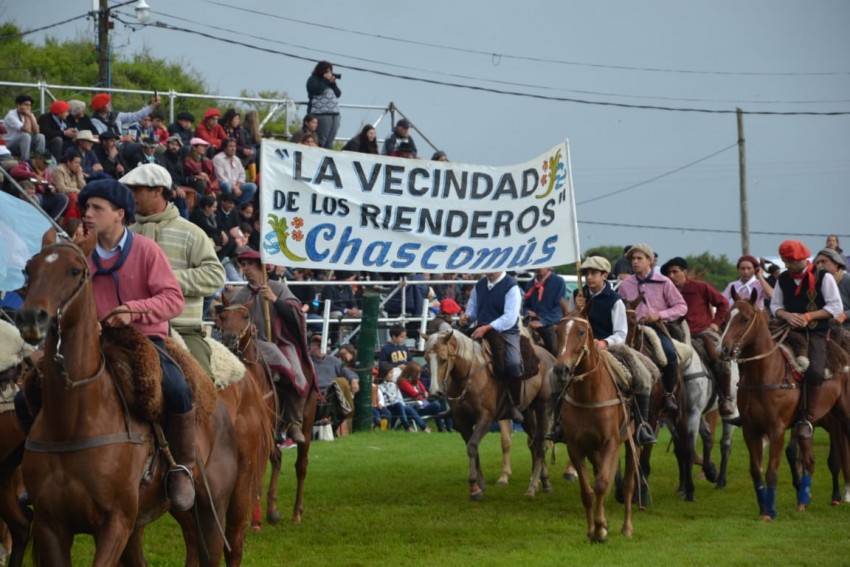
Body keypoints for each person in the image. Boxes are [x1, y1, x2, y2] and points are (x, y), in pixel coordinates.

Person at [78, 178, 196, 511]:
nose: (87, 214)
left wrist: (134, 310)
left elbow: (173, 299)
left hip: (145, 338)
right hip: (92, 342)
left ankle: (182, 467)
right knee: (40, 384)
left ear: (119, 214)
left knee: (177, 388)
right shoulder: (80, 252)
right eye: (86, 207)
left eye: (96, 208)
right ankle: (34, 466)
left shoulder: (146, 249)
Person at [122, 163, 226, 377]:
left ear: (158, 191)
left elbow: (216, 276)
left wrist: (167, 281)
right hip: (132, 328)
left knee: (200, 385)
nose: (131, 195)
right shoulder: (127, 235)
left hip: (182, 329)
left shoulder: (191, 232)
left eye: (136, 190)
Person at [230, 249, 316, 444]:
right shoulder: (239, 296)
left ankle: (294, 422)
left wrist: (276, 301)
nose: (245, 269)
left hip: (280, 342)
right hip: (252, 345)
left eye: (250, 264)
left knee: (298, 376)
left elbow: (296, 318)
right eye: (243, 265)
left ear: (262, 266)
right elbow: (232, 324)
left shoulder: (278, 288)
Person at [770, 240, 842, 440]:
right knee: (759, 355)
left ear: (802, 258)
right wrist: (786, 315)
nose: (786, 265)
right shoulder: (783, 278)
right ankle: (751, 410)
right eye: (784, 261)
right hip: (787, 329)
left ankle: (807, 418)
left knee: (815, 371)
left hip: (816, 333)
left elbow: (835, 307)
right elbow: (775, 305)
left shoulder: (824, 277)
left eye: (790, 261)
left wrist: (809, 316)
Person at [617, 243, 687, 417]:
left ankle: (669, 395)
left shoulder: (664, 282)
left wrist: (660, 314)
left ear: (650, 260)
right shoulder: (625, 285)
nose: (635, 262)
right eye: (633, 259)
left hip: (656, 327)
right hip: (631, 328)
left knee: (670, 353)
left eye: (639, 258)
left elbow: (681, 306)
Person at [660, 256, 734, 417]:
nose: (671, 276)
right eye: (668, 273)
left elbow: (723, 304)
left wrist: (715, 323)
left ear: (684, 272)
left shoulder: (701, 287)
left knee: (717, 356)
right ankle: (665, 398)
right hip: (673, 333)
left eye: (675, 272)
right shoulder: (665, 291)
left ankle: (725, 398)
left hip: (701, 332)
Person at [459, 271, 525, 423]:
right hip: (481, 329)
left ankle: (515, 403)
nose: (488, 268)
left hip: (506, 332)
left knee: (513, 363)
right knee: (456, 355)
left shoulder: (511, 286)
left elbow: (509, 318)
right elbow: (473, 310)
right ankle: (456, 401)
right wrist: (466, 318)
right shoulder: (480, 285)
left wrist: (487, 327)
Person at [308, 334, 359, 433]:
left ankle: (330, 429)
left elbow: (347, 371)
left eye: (323, 345)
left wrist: (353, 380)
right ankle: (327, 429)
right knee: (339, 385)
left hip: (332, 394)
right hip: (313, 395)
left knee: (339, 386)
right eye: (318, 345)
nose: (321, 348)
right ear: (311, 346)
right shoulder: (306, 361)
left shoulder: (334, 361)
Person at [523, 267, 568, 356]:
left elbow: (559, 309)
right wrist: (527, 312)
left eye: (543, 265)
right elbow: (525, 305)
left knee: (553, 348)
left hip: (550, 322)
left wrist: (543, 322)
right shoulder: (530, 284)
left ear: (549, 266)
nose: (540, 268)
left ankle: (555, 367)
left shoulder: (558, 282)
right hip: (530, 320)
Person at [376, 362, 430, 432]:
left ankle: (424, 427)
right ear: (384, 374)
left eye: (392, 373)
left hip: (398, 406)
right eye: (390, 373)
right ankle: (407, 427)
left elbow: (399, 397)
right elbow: (382, 400)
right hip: (388, 407)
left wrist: (403, 406)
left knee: (407, 408)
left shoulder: (394, 384)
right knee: (399, 405)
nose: (392, 375)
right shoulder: (379, 386)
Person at [397, 362, 451, 432]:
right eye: (418, 374)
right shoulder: (403, 382)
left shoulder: (416, 381)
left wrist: (424, 394)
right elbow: (415, 395)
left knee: (441, 400)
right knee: (436, 405)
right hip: (414, 408)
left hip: (422, 405)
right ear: (412, 374)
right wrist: (423, 394)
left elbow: (425, 392)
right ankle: (443, 428)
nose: (420, 375)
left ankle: (447, 427)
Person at [306, 61, 341, 149]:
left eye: (330, 71)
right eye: (327, 71)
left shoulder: (329, 82)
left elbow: (338, 93)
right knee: (322, 139)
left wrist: (333, 83)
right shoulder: (313, 79)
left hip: (335, 113)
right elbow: (317, 90)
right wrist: (325, 80)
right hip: (321, 113)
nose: (329, 73)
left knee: (330, 139)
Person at [212, 138, 257, 206]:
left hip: (236, 185)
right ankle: (227, 205)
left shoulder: (237, 159)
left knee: (253, 186)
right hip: (222, 185)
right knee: (227, 186)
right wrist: (234, 187)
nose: (233, 148)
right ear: (224, 148)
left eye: (234, 146)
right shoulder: (218, 158)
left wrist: (237, 186)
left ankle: (240, 207)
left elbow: (242, 174)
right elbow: (220, 177)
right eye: (230, 146)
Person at [813, 248, 850, 329]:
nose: (819, 265)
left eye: (823, 261)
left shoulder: (847, 279)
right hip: (823, 329)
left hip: (846, 328)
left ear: (836, 264)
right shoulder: (815, 282)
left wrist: (844, 315)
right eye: (817, 263)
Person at [3, 94, 46, 159]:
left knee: (41, 136)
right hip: (10, 145)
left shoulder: (30, 114)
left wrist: (30, 116)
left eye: (30, 105)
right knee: (26, 136)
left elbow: (37, 132)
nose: (28, 107)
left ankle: (39, 159)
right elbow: (26, 130)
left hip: (24, 143)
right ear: (18, 105)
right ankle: (25, 161)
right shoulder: (11, 115)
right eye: (26, 105)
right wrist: (26, 115)